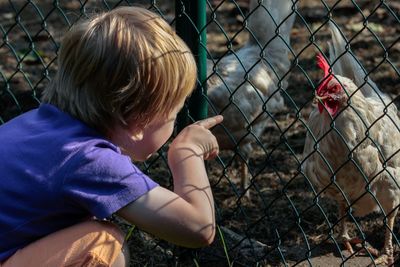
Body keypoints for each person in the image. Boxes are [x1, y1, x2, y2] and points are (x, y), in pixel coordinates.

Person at [0, 6, 223, 267]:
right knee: (102, 243)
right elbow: (198, 228)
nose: (175, 123)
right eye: (174, 114)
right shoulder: (88, 159)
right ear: (138, 118)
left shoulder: (32, 125)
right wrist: (187, 153)